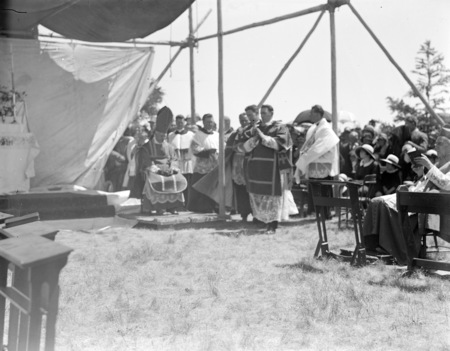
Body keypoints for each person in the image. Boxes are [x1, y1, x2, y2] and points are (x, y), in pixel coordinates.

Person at [363, 125, 450, 265]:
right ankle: (375, 247)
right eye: (436, 143)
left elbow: (446, 184)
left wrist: (429, 166)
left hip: (430, 206)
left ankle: (394, 250)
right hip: (417, 196)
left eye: (440, 143)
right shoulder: (440, 163)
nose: (436, 146)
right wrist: (421, 173)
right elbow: (427, 182)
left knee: (381, 203)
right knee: (376, 202)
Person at [242, 104, 296, 234]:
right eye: (261, 113)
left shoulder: (280, 127)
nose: (262, 115)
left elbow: (279, 145)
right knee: (258, 195)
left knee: (272, 197)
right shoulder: (256, 127)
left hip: (273, 169)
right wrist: (254, 137)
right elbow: (245, 147)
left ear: (272, 113)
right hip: (256, 167)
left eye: (265, 113)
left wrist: (262, 136)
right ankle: (261, 220)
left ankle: (273, 224)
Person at [132, 107, 187, 215]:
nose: (163, 137)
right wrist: (158, 170)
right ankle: (158, 206)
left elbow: (174, 159)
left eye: (164, 135)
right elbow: (146, 163)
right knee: (156, 179)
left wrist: (172, 168)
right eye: (161, 135)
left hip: (168, 170)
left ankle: (172, 206)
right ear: (156, 133)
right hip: (154, 171)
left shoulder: (170, 147)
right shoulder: (147, 147)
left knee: (177, 177)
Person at [295, 105, 340, 218]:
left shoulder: (325, 129)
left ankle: (326, 213)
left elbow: (320, 147)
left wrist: (307, 156)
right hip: (314, 164)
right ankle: (316, 212)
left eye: (312, 113)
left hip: (323, 165)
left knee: (324, 190)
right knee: (314, 189)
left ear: (318, 114)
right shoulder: (315, 127)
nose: (310, 115)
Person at [188, 113, 220, 213]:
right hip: (202, 167)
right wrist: (209, 152)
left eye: (211, 122)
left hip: (215, 166)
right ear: (203, 122)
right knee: (201, 187)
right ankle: (201, 208)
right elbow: (195, 149)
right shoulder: (198, 135)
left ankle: (214, 206)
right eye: (207, 122)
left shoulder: (217, 135)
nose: (209, 124)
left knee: (214, 187)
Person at [226, 112, 252, 221]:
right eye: (241, 120)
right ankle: (243, 213)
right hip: (237, 164)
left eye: (246, 120)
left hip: (249, 163)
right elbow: (229, 148)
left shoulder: (253, 132)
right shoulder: (235, 133)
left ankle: (255, 214)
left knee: (251, 189)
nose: (244, 122)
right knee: (240, 189)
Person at [168, 115, 195, 208]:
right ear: (175, 122)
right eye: (178, 122)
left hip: (187, 163)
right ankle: (176, 205)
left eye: (181, 122)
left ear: (184, 122)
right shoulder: (171, 135)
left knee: (187, 184)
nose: (180, 124)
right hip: (176, 163)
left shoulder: (191, 134)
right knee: (176, 184)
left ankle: (187, 205)